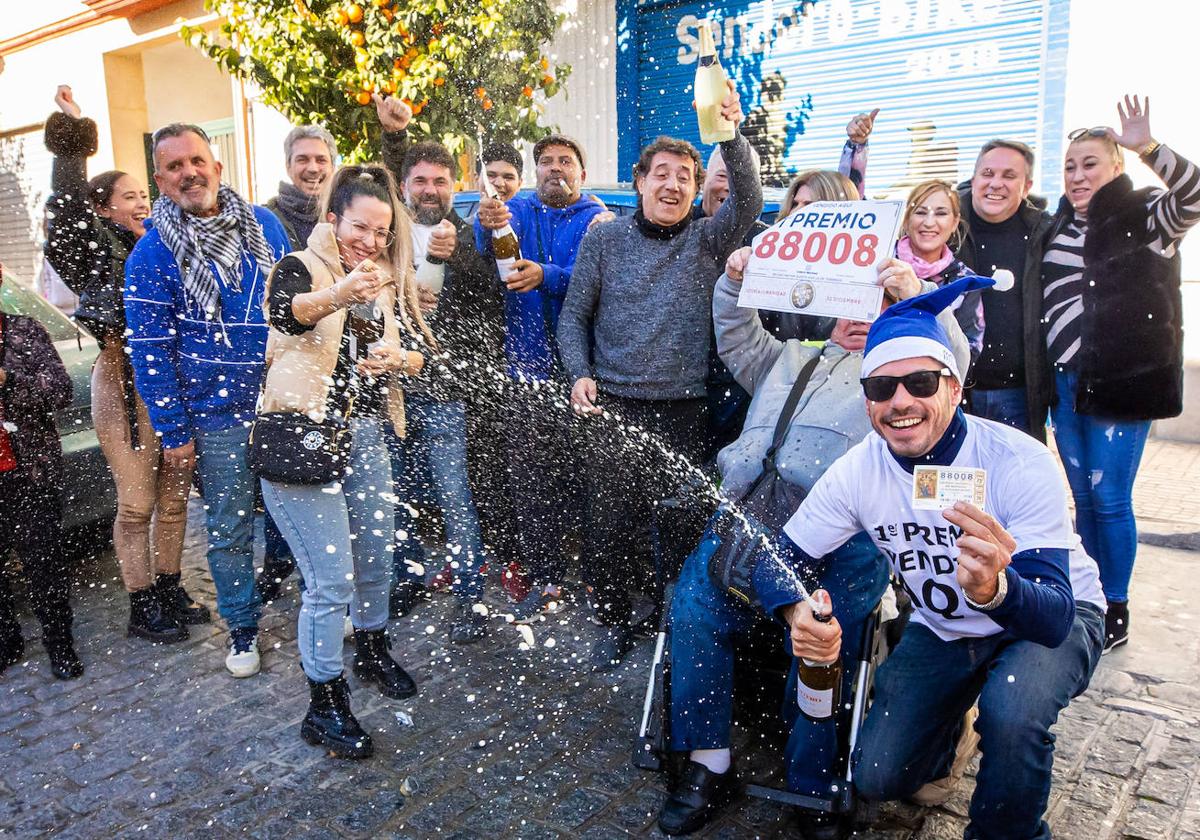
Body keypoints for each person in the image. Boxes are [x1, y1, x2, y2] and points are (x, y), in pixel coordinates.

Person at [765, 278, 1106, 840]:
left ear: (954, 388)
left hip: (1048, 620)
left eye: (920, 382)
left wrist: (997, 590)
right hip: (945, 627)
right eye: (880, 387)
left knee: (1014, 713)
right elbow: (782, 558)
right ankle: (957, 725)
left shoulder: (1018, 460)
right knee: (878, 776)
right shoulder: (860, 468)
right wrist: (793, 612)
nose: (900, 402)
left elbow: (1053, 617)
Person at [656, 247, 941, 836]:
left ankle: (812, 780)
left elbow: (951, 359)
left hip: (846, 534)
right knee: (691, 606)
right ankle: (709, 761)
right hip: (751, 515)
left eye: (879, 300)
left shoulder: (902, 382)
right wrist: (735, 279)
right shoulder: (792, 356)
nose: (863, 313)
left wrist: (912, 300)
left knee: (822, 640)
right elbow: (735, 331)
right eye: (853, 298)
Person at [557, 79, 763, 670]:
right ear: (640, 182)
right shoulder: (605, 240)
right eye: (661, 173)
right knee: (610, 522)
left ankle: (677, 619)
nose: (672, 184)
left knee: (677, 519)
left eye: (684, 177)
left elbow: (748, 199)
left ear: (696, 190)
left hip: (682, 406)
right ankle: (617, 618)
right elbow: (574, 317)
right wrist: (578, 373)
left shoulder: (709, 238)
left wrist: (733, 134)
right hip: (611, 405)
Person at [259, 163, 428, 758]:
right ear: (334, 219)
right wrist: (339, 293)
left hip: (363, 434)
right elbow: (285, 313)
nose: (370, 241)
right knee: (330, 580)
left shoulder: (381, 282)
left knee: (377, 554)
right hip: (301, 436)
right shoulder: (297, 267)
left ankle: (374, 650)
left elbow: (418, 355)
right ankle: (323, 705)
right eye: (360, 227)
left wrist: (397, 362)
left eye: (381, 232)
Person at [124, 122, 290, 678]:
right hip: (215, 417)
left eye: (196, 160)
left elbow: (298, 303)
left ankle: (322, 603)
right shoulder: (150, 256)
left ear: (217, 166)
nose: (189, 173)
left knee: (296, 513)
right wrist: (174, 432)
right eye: (174, 167)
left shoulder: (265, 226)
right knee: (230, 527)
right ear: (160, 181)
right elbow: (151, 354)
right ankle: (242, 631)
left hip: (282, 400)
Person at [43, 86, 207, 644]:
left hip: (176, 378)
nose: (141, 202)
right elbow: (65, 211)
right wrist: (71, 143)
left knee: (176, 500)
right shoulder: (93, 251)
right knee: (137, 504)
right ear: (103, 208)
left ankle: (168, 587)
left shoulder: (170, 241)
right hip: (122, 381)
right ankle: (141, 605)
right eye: (129, 195)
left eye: (145, 192)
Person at [1042, 95, 1200, 652]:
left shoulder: (1149, 215)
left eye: (1091, 163)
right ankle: (1088, 594)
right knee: (1081, 499)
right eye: (1070, 165)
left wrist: (1149, 147)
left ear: (1116, 167)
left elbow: (1196, 192)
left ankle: (1116, 605)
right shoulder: (1054, 225)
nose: (1079, 175)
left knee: (1110, 500)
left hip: (1121, 387)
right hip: (1065, 386)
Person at [474, 133, 605, 619]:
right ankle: (546, 575)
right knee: (532, 482)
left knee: (590, 480)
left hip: (583, 373)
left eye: (565, 161)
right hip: (524, 372)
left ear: (581, 174)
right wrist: (482, 221)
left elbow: (597, 281)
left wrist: (547, 275)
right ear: (534, 173)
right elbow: (483, 240)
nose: (555, 168)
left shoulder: (597, 220)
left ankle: (596, 575)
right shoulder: (518, 212)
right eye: (546, 162)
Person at [383, 136, 506, 643]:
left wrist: (460, 260)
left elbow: (490, 303)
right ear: (405, 186)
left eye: (440, 181)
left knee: (455, 497)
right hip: (389, 388)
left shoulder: (467, 236)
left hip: (440, 391)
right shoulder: (386, 233)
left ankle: (470, 597)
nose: (431, 190)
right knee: (398, 496)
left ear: (453, 186)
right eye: (421, 181)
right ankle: (407, 578)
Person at [256, 124, 338, 602]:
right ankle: (280, 563)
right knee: (285, 469)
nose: (312, 168)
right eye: (302, 159)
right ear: (288, 165)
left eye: (320, 160)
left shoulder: (344, 215)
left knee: (327, 480)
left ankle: (321, 578)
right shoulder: (269, 218)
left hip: (339, 374)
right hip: (287, 367)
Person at [0, 262, 82, 680]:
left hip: (27, 470)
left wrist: (8, 380)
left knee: (43, 562)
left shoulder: (24, 331)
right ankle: (6, 640)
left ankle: (59, 644)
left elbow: (60, 390)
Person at [895, 179, 984, 363]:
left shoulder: (964, 282)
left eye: (941, 213)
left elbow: (969, 350)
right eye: (920, 212)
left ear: (954, 223)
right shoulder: (881, 264)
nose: (929, 222)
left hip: (931, 385)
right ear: (906, 219)